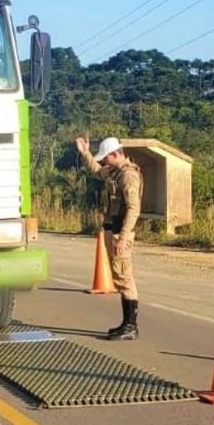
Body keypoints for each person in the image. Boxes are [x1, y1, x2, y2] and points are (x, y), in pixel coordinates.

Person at [75, 136, 144, 341]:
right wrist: (85, 152)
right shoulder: (115, 172)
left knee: (124, 276)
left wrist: (122, 238)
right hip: (112, 229)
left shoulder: (128, 176)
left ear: (116, 154)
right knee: (118, 276)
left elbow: (133, 209)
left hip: (120, 232)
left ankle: (131, 325)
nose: (104, 162)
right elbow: (97, 170)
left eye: (106, 158)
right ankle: (126, 323)